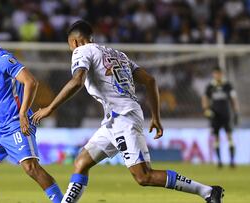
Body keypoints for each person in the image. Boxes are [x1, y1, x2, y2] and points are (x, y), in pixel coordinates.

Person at [32, 20, 224, 203]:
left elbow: (77, 81)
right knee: (81, 162)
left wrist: (50, 108)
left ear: (74, 41)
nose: (71, 49)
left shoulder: (81, 51)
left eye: (70, 45)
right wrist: (156, 117)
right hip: (114, 120)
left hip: (123, 118)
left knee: (144, 176)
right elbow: (150, 81)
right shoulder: (118, 54)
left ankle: (207, 191)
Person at [0, 21, 63, 203]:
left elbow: (31, 82)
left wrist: (23, 113)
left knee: (31, 167)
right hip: (1, 130)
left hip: (18, 124)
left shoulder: (3, 59)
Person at [202, 67, 239, 168]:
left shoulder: (227, 85)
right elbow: (205, 98)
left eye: (219, 73)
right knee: (216, 138)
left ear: (222, 74)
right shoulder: (210, 86)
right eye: (215, 73)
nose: (217, 75)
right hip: (215, 116)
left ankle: (232, 161)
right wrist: (206, 110)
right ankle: (219, 161)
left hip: (226, 115)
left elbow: (233, 98)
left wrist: (236, 112)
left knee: (229, 137)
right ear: (213, 74)